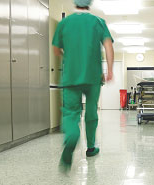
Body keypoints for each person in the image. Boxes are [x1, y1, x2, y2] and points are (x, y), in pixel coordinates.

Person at [52, 0, 114, 171]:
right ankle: (91, 147)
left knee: (71, 113)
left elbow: (56, 49)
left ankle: (72, 137)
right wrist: (109, 69)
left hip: (71, 77)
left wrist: (68, 57)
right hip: (93, 76)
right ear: (88, 4)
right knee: (92, 112)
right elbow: (108, 45)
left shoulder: (65, 23)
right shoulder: (98, 22)